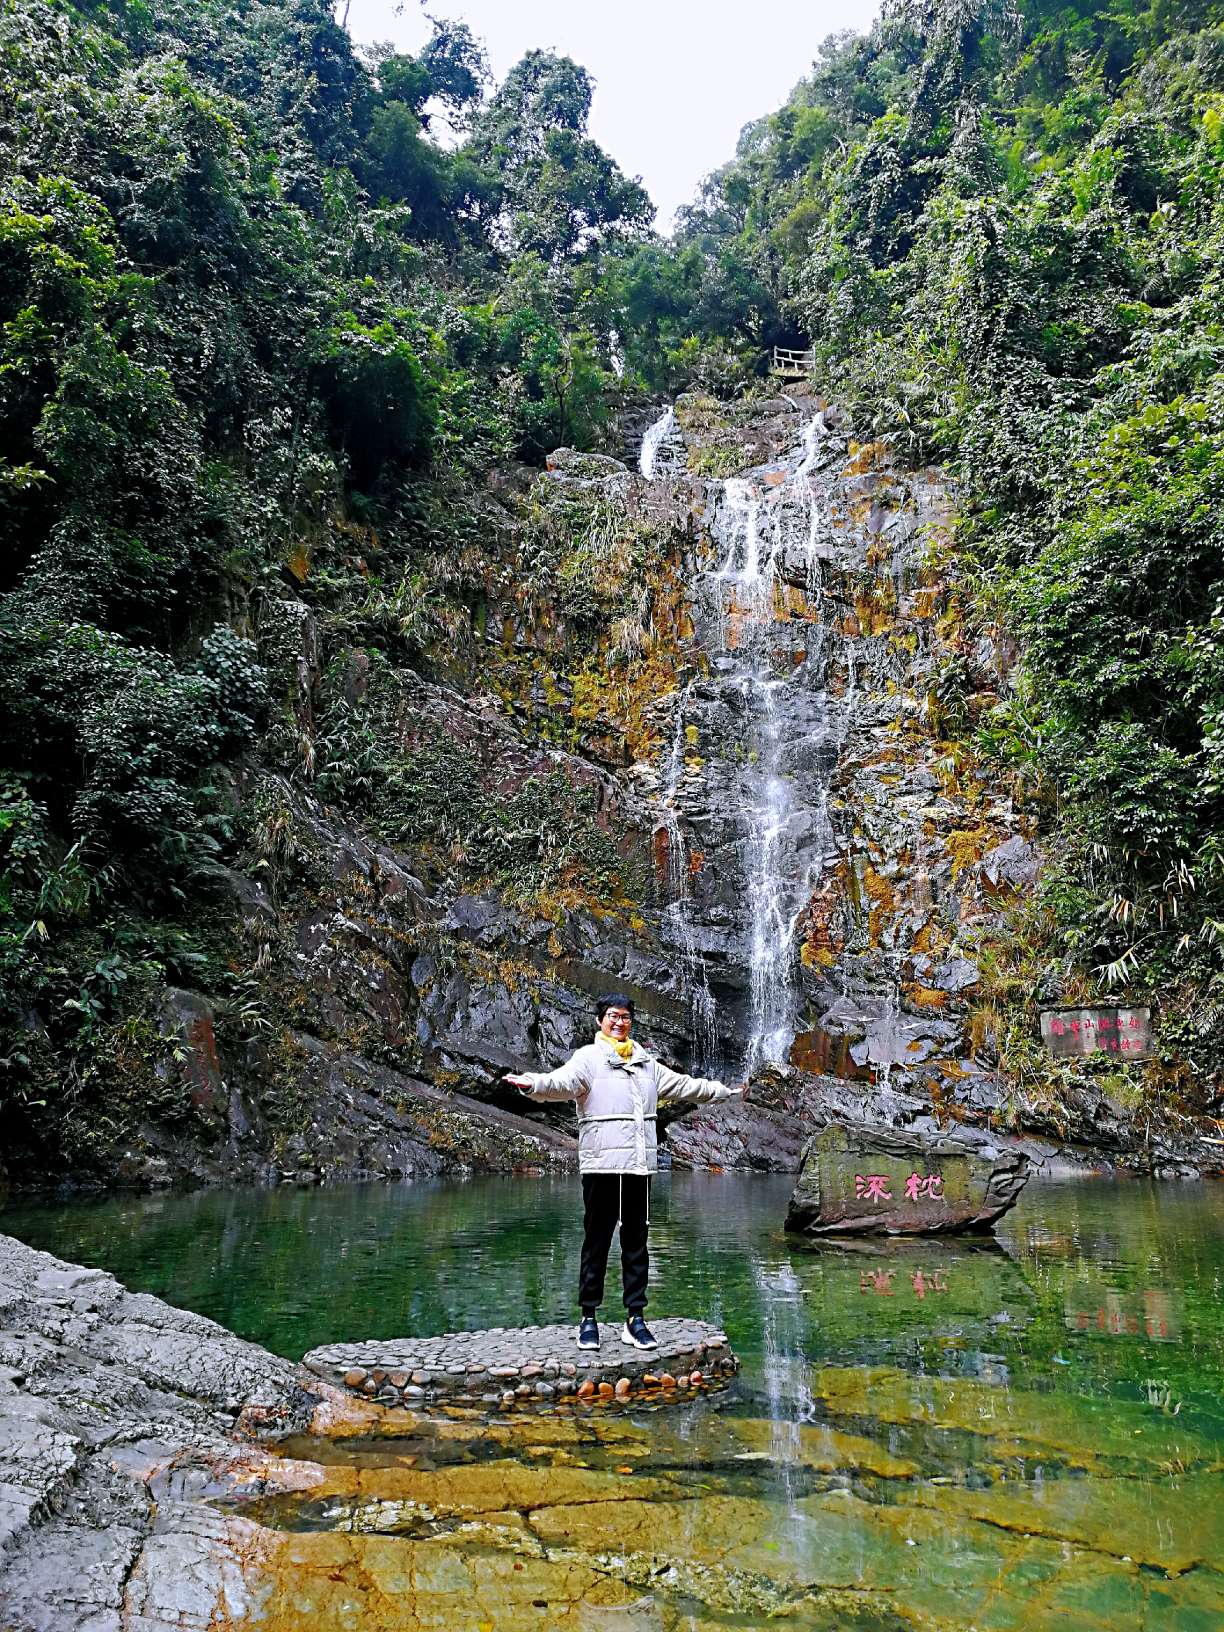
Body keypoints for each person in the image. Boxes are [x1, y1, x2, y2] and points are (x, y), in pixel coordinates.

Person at [504, 994, 745, 1351]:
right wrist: (533, 1084)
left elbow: (688, 1086)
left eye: (626, 1017)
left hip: (638, 1169)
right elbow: (561, 1082)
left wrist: (729, 1093)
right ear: (601, 1020)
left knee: (636, 1244)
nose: (620, 1022)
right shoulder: (588, 1059)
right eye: (613, 1016)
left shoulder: (648, 1065)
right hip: (602, 1167)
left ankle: (635, 1319)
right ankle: (588, 1319)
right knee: (597, 1242)